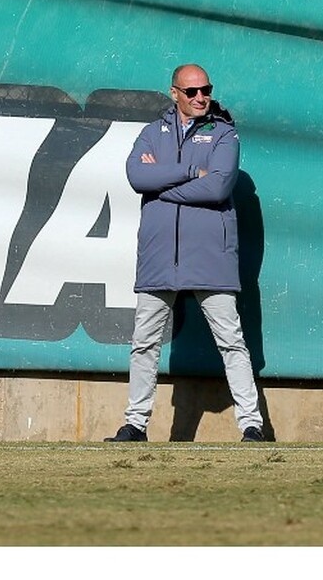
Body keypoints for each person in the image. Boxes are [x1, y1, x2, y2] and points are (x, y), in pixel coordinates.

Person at [105, 64, 266, 443]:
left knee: (231, 341)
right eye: (191, 92)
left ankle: (252, 426)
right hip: (159, 256)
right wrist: (193, 172)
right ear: (173, 93)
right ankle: (135, 425)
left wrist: (163, 183)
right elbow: (135, 177)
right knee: (144, 343)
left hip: (211, 257)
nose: (200, 98)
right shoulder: (151, 133)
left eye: (205, 90)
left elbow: (217, 187)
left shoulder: (224, 133)